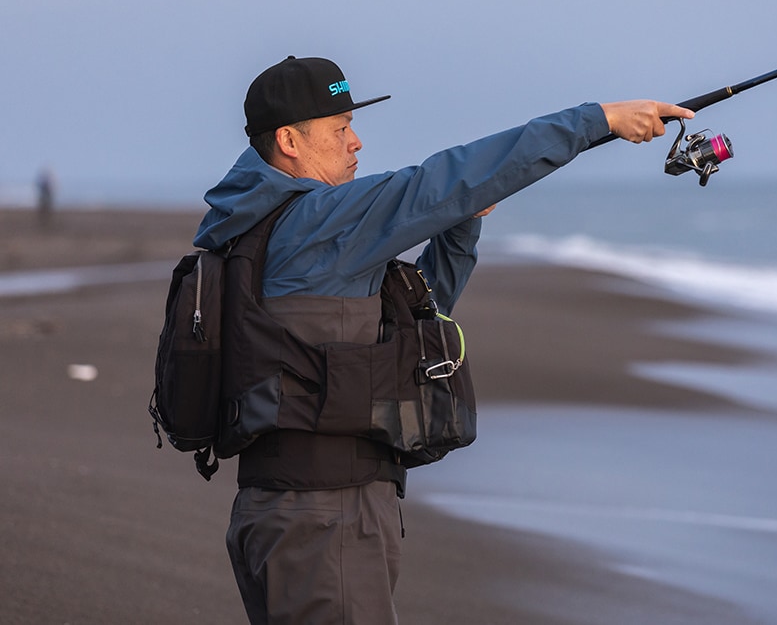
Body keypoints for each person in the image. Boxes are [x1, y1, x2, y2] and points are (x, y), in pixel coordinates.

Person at [194, 55, 693, 624]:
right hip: (323, 514)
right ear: (289, 140)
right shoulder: (314, 222)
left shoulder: (257, 229)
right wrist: (598, 119)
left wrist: (463, 222)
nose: (355, 142)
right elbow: (444, 178)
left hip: (287, 508)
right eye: (340, 129)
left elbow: (413, 318)